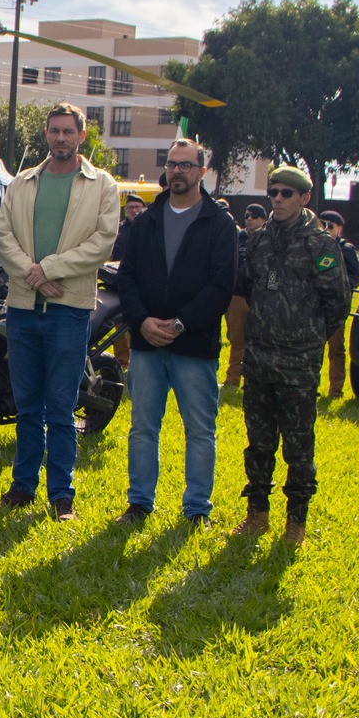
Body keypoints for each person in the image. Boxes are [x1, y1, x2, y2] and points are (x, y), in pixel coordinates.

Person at [0, 102, 120, 521]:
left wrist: (47, 269)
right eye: (54, 131)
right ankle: (23, 486)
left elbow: (102, 243)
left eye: (68, 131)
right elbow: (3, 233)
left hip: (69, 309)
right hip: (24, 308)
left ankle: (62, 495)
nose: (61, 138)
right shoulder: (23, 182)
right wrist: (34, 277)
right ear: (45, 135)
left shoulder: (101, 185)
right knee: (27, 405)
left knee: (62, 407)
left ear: (81, 136)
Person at [113, 139, 238, 525]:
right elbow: (127, 277)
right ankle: (139, 503)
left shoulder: (219, 224)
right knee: (142, 428)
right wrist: (143, 322)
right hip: (147, 346)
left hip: (194, 347)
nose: (178, 171)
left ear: (202, 171)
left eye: (186, 165)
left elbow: (221, 286)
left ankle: (197, 508)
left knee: (200, 431)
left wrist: (181, 323)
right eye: (172, 164)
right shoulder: (146, 221)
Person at [234, 166, 349, 545]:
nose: (278, 199)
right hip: (260, 358)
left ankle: (295, 521)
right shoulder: (259, 240)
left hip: (299, 363)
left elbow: (337, 303)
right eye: (274, 193)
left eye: (286, 193)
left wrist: (307, 335)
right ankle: (257, 514)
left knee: (298, 447)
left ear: (304, 199)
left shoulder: (321, 245)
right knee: (259, 443)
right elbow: (250, 288)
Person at [317, 210, 359, 397]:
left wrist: (339, 290)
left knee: (336, 349)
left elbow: (355, 278)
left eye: (330, 226)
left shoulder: (346, 250)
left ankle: (335, 388)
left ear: (340, 229)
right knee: (313, 348)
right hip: (316, 306)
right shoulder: (316, 246)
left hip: (336, 306)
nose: (326, 229)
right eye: (323, 224)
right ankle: (312, 384)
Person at [223, 200, 266, 389]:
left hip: (261, 297)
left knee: (259, 341)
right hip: (238, 295)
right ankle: (233, 378)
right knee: (237, 339)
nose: (249, 219)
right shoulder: (237, 238)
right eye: (247, 216)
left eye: (254, 216)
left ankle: (254, 380)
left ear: (264, 220)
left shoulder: (269, 239)